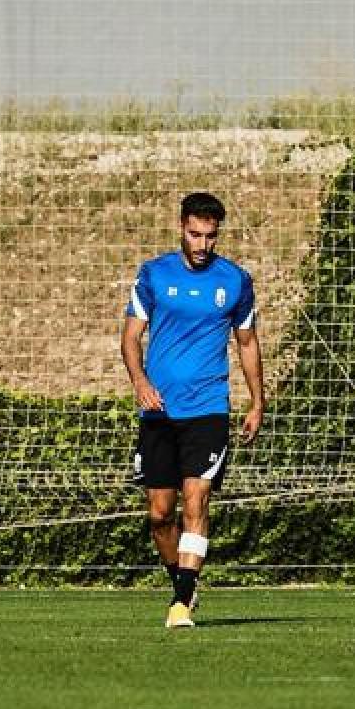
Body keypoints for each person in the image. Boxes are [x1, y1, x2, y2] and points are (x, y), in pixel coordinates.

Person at [120, 192, 264, 628]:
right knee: (160, 514)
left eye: (210, 237)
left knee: (196, 499)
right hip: (159, 411)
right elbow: (130, 339)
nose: (202, 245)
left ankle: (180, 604)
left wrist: (258, 401)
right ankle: (182, 581)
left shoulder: (235, 281)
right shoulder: (153, 275)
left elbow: (247, 343)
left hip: (208, 408)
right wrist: (141, 382)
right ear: (181, 226)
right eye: (195, 234)